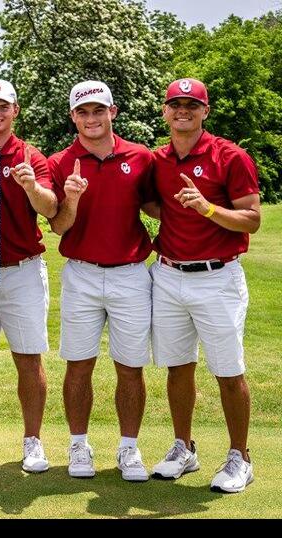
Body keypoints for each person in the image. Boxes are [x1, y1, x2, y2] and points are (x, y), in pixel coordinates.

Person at [148, 78, 260, 493]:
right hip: (168, 275)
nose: (183, 111)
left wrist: (208, 208)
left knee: (228, 371)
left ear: (204, 111)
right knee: (178, 367)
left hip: (218, 278)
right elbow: (151, 202)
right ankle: (184, 448)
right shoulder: (158, 159)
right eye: (176, 104)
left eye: (192, 105)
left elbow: (252, 218)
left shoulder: (230, 156)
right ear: (165, 111)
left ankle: (240, 457)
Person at [48, 80, 159, 482]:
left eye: (99, 110)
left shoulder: (141, 157)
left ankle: (129, 447)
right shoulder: (61, 162)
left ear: (112, 112)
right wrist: (72, 199)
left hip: (131, 274)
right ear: (73, 116)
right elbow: (58, 226)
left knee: (130, 367)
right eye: (83, 112)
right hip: (81, 274)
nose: (91, 118)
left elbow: (157, 206)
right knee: (79, 365)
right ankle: (79, 444)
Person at [0, 79, 58, 473]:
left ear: (15, 110)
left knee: (28, 359)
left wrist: (31, 186)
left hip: (22, 270)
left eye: (4, 106)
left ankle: (33, 440)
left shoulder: (31, 156)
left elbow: (50, 208)